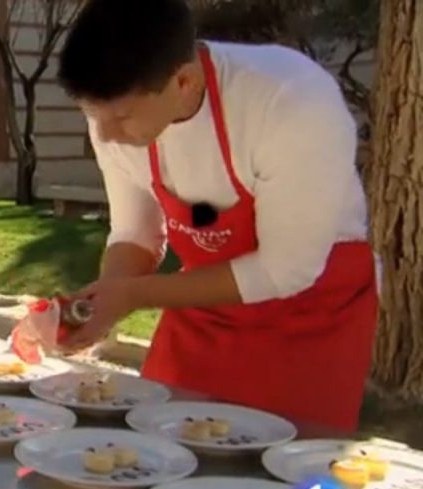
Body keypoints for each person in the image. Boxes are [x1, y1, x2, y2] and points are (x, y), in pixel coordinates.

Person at [54, 0, 377, 431]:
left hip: (310, 312)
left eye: (120, 117)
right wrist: (104, 301)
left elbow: (288, 270)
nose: (106, 135)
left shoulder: (290, 99)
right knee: (156, 446)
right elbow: (136, 231)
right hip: (203, 306)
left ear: (183, 82)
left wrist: (134, 295)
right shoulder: (116, 114)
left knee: (282, 471)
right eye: (93, 117)